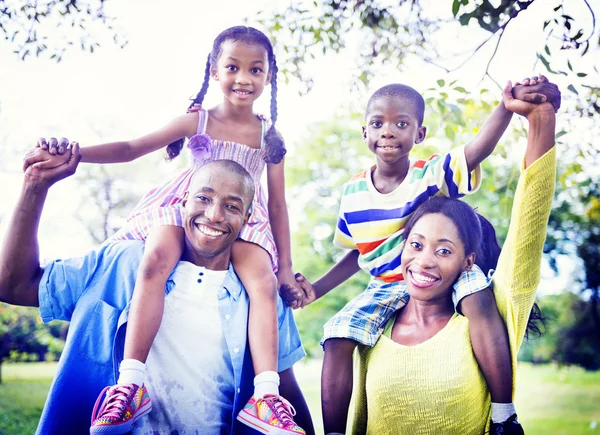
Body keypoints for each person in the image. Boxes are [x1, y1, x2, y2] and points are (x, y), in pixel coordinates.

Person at [24, 25, 305, 434]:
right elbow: (131, 148)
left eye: (256, 70)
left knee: (260, 283)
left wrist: (284, 269)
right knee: (154, 260)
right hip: (187, 205)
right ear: (214, 70)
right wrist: (76, 154)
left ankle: (265, 395)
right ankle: (131, 382)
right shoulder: (198, 120)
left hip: (241, 216)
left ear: (269, 77)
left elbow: (277, 204)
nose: (243, 78)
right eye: (232, 67)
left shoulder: (270, 137)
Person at [283, 76, 560, 434]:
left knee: (478, 299)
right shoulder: (352, 191)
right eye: (377, 123)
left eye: (401, 124)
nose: (388, 131)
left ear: (419, 133)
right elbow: (358, 251)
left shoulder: (428, 175)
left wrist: (504, 108)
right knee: (335, 335)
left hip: (447, 274)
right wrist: (316, 290)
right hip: (384, 285)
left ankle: (504, 412)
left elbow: (476, 150)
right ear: (364, 132)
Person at [0, 153, 314, 435]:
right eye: (203, 199)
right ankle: (128, 391)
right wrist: (35, 186)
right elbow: (13, 285)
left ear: (247, 219)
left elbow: (286, 386)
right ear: (183, 203)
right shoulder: (120, 264)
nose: (215, 215)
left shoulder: (261, 291)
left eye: (232, 207)